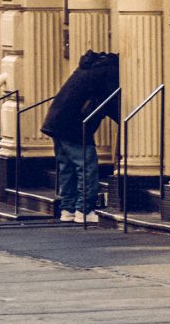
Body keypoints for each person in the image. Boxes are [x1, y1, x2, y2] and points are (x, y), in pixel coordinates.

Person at [42, 49, 121, 223]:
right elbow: (112, 101)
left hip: (55, 121)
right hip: (74, 126)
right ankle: (84, 210)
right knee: (86, 167)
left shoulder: (87, 69)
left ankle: (67, 209)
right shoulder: (108, 72)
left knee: (67, 168)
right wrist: (123, 118)